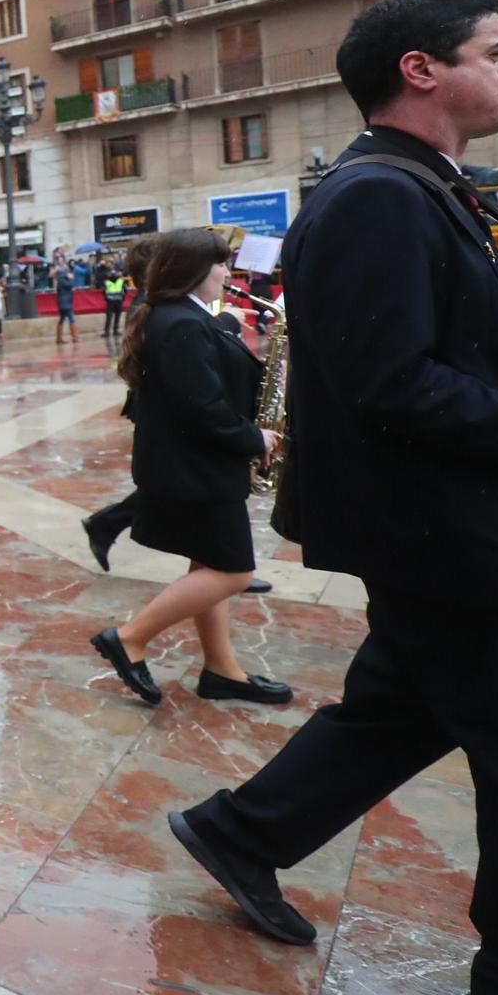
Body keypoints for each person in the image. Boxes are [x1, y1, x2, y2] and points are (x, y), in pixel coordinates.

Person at [163, 0, 498, 991]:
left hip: (444, 527)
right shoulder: (373, 197)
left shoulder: (421, 186)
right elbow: (389, 382)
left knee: (396, 709)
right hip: (442, 531)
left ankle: (239, 830)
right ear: (419, 68)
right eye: (494, 48)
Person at [88, 229, 289, 712]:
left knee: (208, 564)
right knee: (233, 572)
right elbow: (201, 406)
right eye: (220, 265)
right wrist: (253, 438)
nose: (227, 274)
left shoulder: (186, 318)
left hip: (197, 468)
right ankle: (130, 638)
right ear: (193, 272)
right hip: (195, 472)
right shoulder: (180, 323)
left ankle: (222, 670)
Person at [103, 266, 130, 338]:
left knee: (116, 316)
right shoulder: (107, 282)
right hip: (112, 301)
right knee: (109, 317)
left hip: (117, 301)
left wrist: (122, 299)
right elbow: (104, 292)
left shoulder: (120, 281)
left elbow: (125, 291)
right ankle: (107, 331)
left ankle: (114, 330)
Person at [54, 266, 77, 344]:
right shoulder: (63, 280)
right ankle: (75, 337)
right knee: (71, 319)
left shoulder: (60, 280)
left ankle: (59, 338)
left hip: (62, 302)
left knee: (62, 319)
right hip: (66, 302)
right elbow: (71, 285)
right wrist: (71, 278)